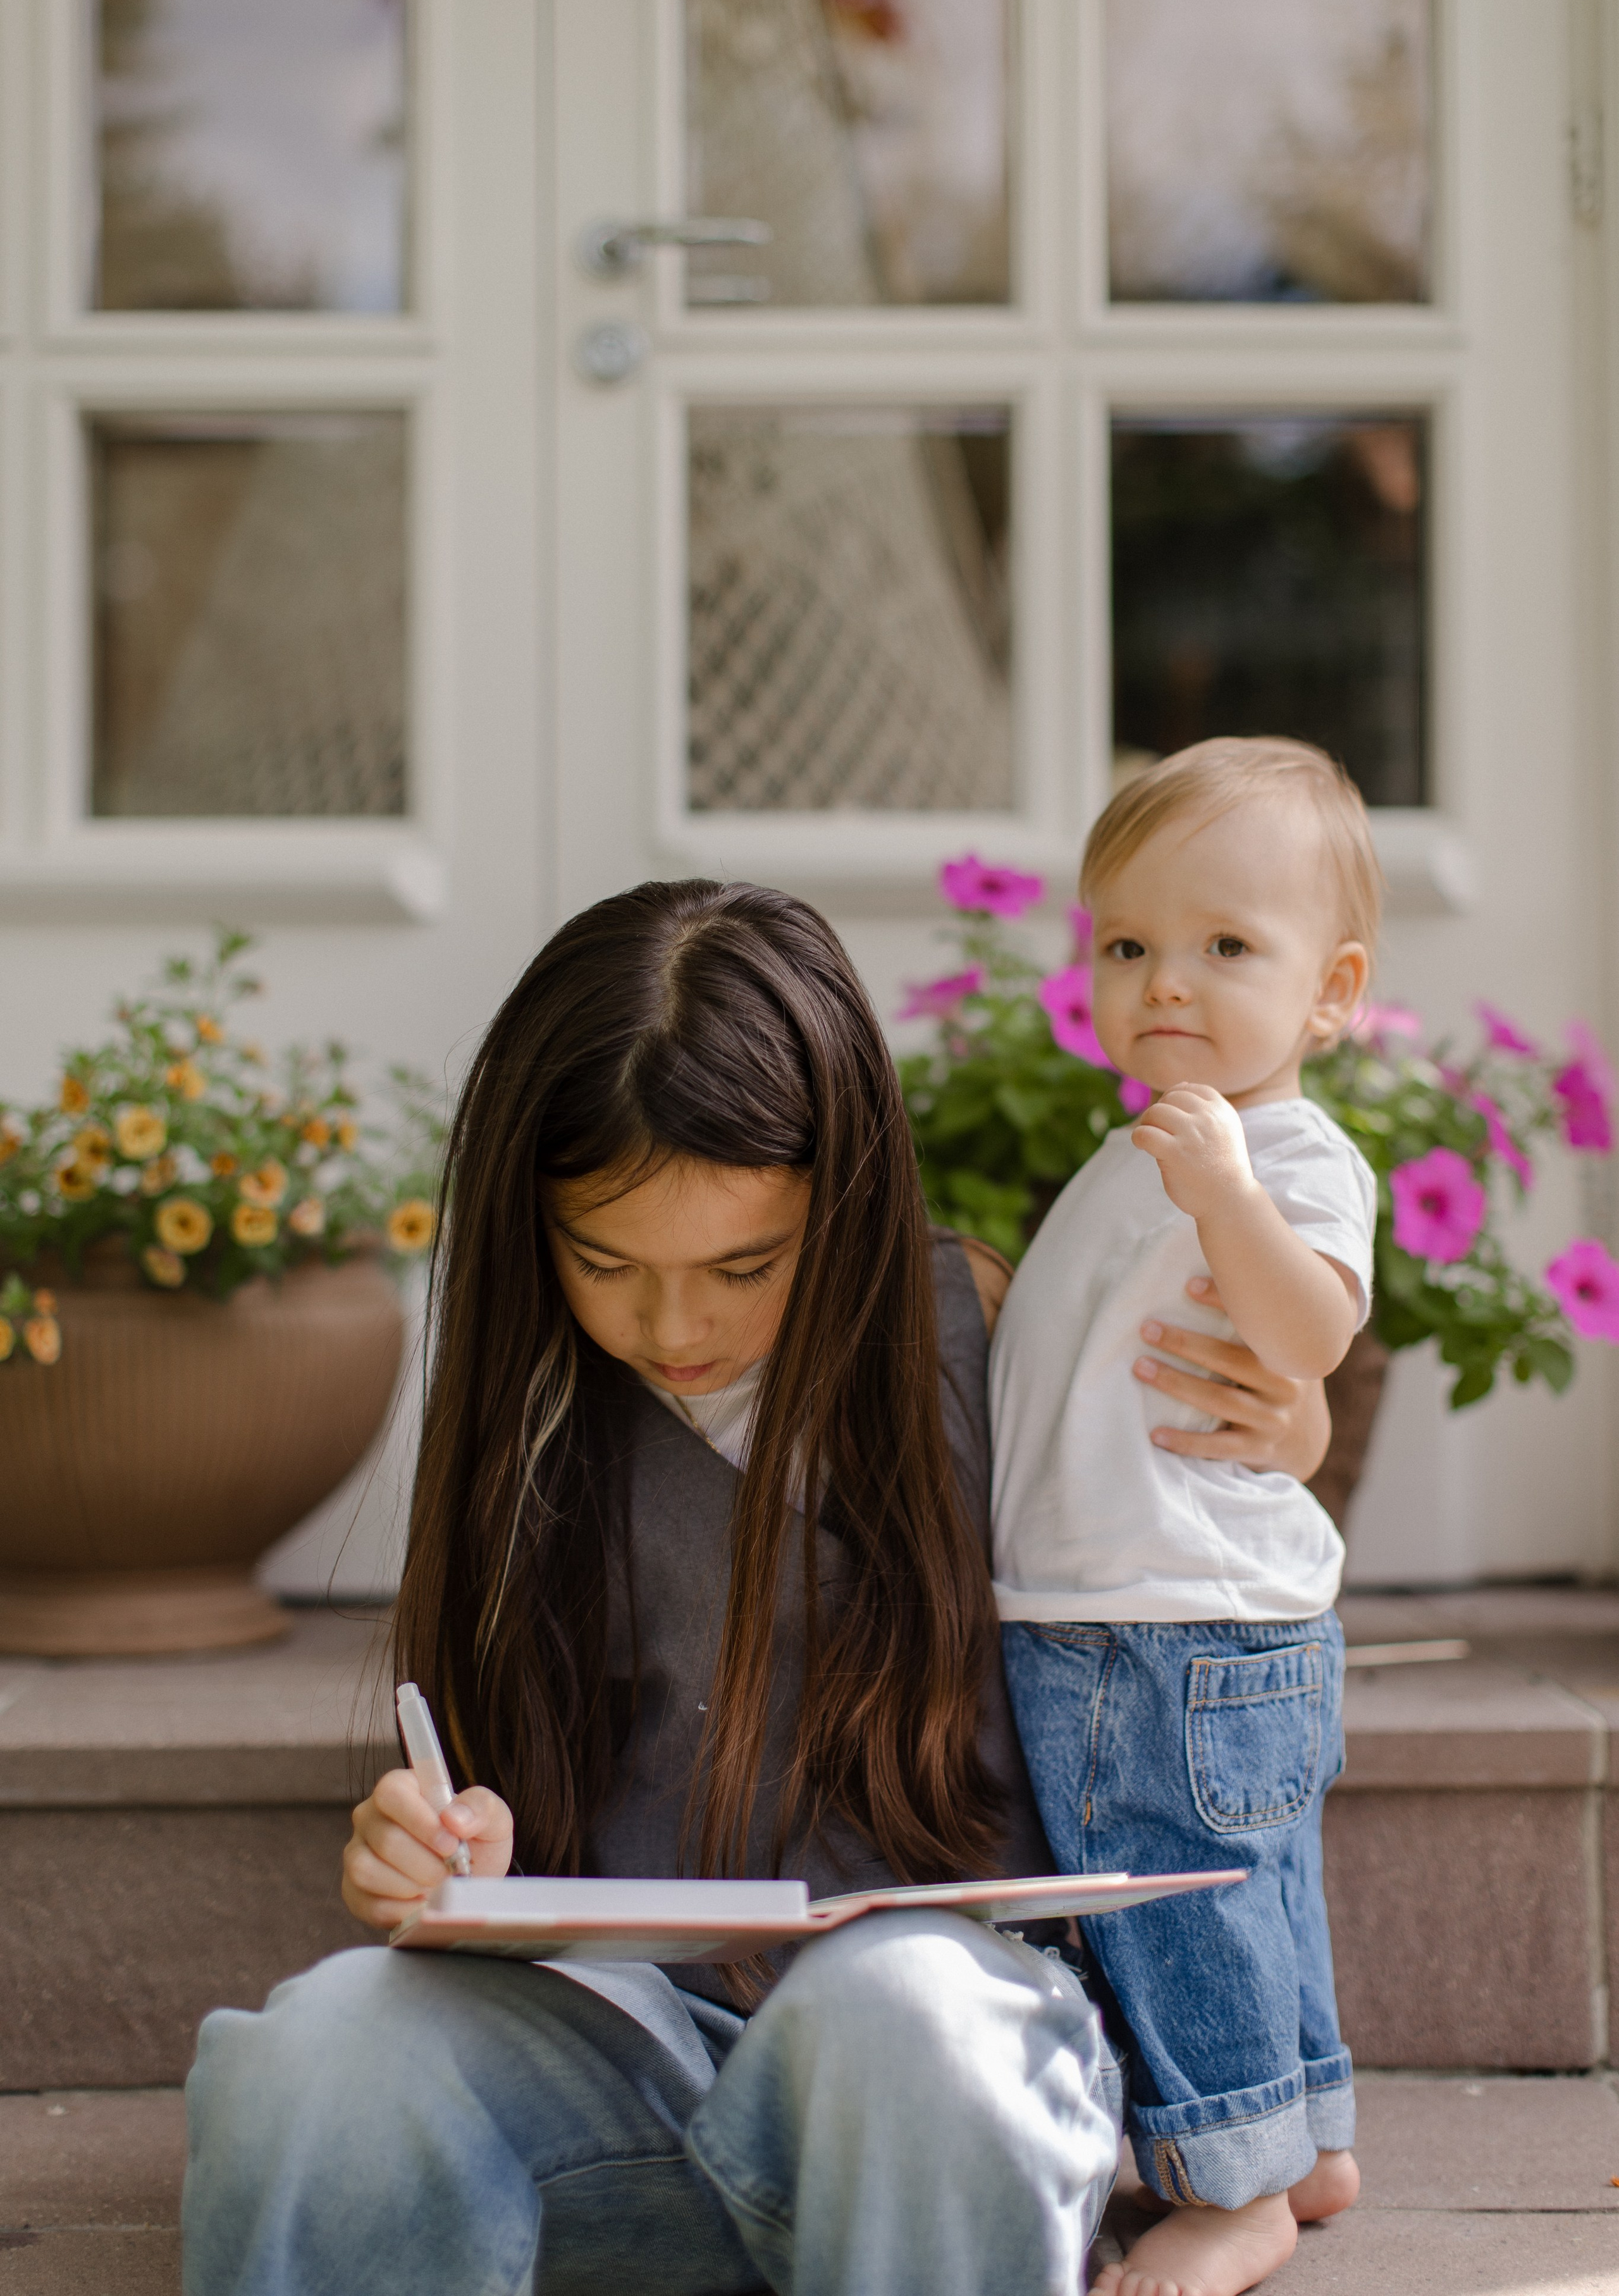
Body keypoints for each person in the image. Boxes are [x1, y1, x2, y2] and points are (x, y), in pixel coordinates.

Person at [182, 877, 1331, 2296]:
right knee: (317, 2053)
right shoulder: (536, 1414)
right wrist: (439, 1847)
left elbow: (1199, 1562)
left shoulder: (974, 1333)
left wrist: (1291, 1431)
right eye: (602, 1259)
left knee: (900, 2009)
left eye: (745, 1265)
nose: (672, 1326)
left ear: (842, 1204)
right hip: (634, 2069)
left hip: (933, 2076)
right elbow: (504, 1808)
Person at [991, 739, 1379, 2296]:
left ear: (1329, 993)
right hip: (1152, 1604)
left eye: (1226, 946)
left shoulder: (1280, 1151)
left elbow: (1308, 1336)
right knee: (1252, 1884)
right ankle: (1312, 2133)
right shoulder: (1137, 1143)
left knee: (1168, 1902)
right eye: (1128, 945)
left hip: (1170, 1616)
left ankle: (1233, 2192)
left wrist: (1226, 1196)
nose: (1165, 982)